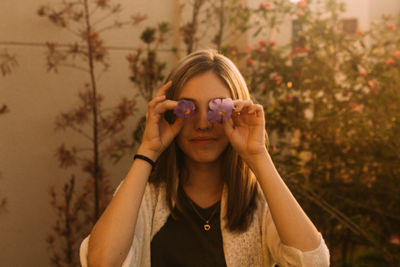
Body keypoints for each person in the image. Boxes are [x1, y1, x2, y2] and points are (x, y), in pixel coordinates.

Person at [80, 49, 330, 267]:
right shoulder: (145, 197)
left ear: (237, 112)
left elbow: (313, 262)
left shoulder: (260, 203)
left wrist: (258, 155)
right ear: (169, 114)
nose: (202, 124)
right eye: (187, 109)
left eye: (217, 109)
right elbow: (101, 262)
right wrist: (148, 150)